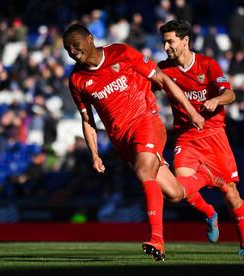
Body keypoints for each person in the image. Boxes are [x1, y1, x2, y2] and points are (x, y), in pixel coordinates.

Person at [62, 23, 224, 261]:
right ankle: (208, 194)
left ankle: (157, 239)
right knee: (174, 193)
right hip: (122, 140)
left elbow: (163, 79)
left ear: (90, 38)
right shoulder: (77, 79)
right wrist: (94, 154)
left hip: (146, 123)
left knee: (143, 171)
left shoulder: (121, 53)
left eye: (75, 45)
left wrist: (191, 111)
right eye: (68, 49)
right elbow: (87, 120)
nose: (73, 52)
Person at [158, 19, 244, 261]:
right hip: (186, 135)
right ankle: (209, 213)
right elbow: (146, 89)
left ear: (185, 41)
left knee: (231, 193)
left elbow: (230, 93)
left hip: (214, 135)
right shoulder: (164, 69)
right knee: (180, 185)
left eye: (170, 41)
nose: (166, 47)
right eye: (164, 42)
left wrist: (216, 100)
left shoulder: (207, 64)